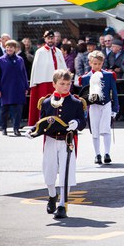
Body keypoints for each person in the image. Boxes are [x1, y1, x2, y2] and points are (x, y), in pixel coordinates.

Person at [25, 69, 87, 219]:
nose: (66, 86)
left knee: (66, 173)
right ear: (54, 84)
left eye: (68, 83)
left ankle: (62, 205)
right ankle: (52, 195)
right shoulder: (46, 102)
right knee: (49, 170)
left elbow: (83, 122)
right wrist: (32, 130)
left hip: (67, 141)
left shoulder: (76, 102)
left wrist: (77, 123)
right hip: (51, 141)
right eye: (62, 83)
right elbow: (42, 122)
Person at [79, 51, 118, 164]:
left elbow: (114, 92)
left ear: (102, 63)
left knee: (106, 129)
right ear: (90, 63)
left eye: (99, 64)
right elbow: (84, 94)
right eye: (94, 63)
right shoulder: (86, 77)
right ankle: (97, 154)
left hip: (106, 104)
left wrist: (115, 108)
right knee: (95, 131)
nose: (97, 66)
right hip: (93, 106)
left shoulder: (109, 75)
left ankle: (107, 153)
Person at [28, 30, 67, 126]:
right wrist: (34, 82)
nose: (50, 40)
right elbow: (36, 68)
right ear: (45, 39)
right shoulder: (40, 52)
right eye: (48, 38)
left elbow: (63, 66)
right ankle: (44, 121)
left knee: (59, 102)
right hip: (44, 82)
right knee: (45, 102)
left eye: (52, 38)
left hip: (58, 83)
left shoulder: (58, 51)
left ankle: (59, 120)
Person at [0, 40, 29, 136]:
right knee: (4, 110)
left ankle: (16, 129)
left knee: (18, 110)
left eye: (11, 47)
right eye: (7, 47)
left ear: (15, 49)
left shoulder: (20, 60)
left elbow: (24, 74)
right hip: (5, 88)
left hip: (18, 88)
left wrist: (26, 87)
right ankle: (4, 128)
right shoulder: (0, 60)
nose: (9, 49)